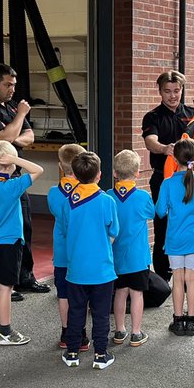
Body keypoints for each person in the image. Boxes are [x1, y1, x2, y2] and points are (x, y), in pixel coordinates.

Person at [0, 63, 50, 299]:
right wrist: (21, 116)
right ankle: (0, 280)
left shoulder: (11, 107)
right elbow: (4, 136)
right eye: (7, 85)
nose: (12, 89)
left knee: (23, 228)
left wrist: (14, 131)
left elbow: (28, 137)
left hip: (14, 177)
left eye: (14, 85)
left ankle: (23, 278)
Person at [61, 151, 120, 370]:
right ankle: (101, 355)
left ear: (75, 176)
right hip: (102, 270)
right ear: (99, 175)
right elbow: (113, 231)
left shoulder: (69, 201)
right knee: (101, 313)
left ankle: (73, 352)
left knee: (76, 311)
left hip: (76, 269)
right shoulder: (107, 201)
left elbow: (67, 229)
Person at [0, 140, 44, 347]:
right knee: (7, 289)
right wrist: (17, 159)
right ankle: (7, 331)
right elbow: (38, 170)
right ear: (8, 164)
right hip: (11, 242)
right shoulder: (12, 186)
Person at [154, 138, 194, 336]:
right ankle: (192, 321)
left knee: (178, 279)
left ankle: (178, 320)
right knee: (192, 279)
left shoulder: (167, 184)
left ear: (174, 158)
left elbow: (160, 212)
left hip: (174, 239)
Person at [141, 71, 192, 281]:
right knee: (163, 226)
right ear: (160, 91)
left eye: (176, 90)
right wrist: (165, 149)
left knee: (187, 226)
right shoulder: (152, 116)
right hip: (162, 179)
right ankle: (163, 278)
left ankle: (188, 276)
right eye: (167, 91)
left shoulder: (193, 114)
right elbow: (150, 141)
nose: (172, 96)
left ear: (181, 90)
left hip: (189, 179)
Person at [109, 149, 156, 347]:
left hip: (116, 256)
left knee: (120, 292)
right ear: (137, 173)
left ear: (114, 173)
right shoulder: (143, 197)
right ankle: (136, 332)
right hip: (137, 258)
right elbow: (152, 214)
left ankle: (120, 330)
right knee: (137, 294)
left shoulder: (108, 196)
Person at [48, 142, 88, 351]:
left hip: (62, 252)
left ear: (60, 166)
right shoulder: (88, 192)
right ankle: (80, 332)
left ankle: (66, 331)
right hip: (81, 252)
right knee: (80, 293)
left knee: (63, 294)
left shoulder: (54, 193)